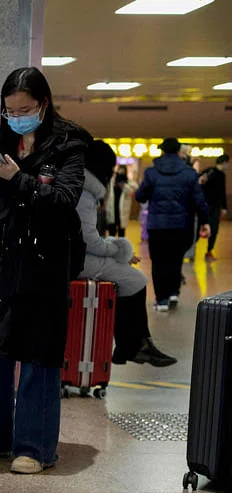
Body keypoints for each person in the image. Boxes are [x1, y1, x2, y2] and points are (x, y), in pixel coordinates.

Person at [0, 67, 91, 474]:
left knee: (37, 357)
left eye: (24, 110)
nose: (16, 117)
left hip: (41, 266)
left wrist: (18, 178)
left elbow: (63, 201)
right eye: (9, 111)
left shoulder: (68, 144)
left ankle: (35, 448)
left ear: (44, 104)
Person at [77, 141, 176, 367]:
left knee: (130, 276)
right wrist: (119, 250)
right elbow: (89, 241)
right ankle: (133, 346)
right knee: (134, 279)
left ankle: (131, 346)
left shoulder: (80, 187)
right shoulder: (85, 193)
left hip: (73, 254)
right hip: (75, 259)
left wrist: (115, 249)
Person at [134, 138, 210, 312]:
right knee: (175, 259)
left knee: (159, 262)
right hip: (181, 225)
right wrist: (205, 221)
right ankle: (173, 292)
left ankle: (161, 300)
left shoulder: (152, 172)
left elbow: (140, 196)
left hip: (157, 226)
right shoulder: (190, 173)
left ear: (162, 151)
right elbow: (199, 201)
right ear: (178, 152)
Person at [199, 154, 228, 261]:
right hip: (206, 205)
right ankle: (190, 251)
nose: (228, 166)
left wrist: (224, 206)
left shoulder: (222, 175)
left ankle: (209, 251)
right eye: (228, 164)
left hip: (215, 206)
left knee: (214, 229)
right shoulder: (210, 171)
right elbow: (200, 183)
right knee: (200, 227)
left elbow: (222, 192)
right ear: (224, 163)